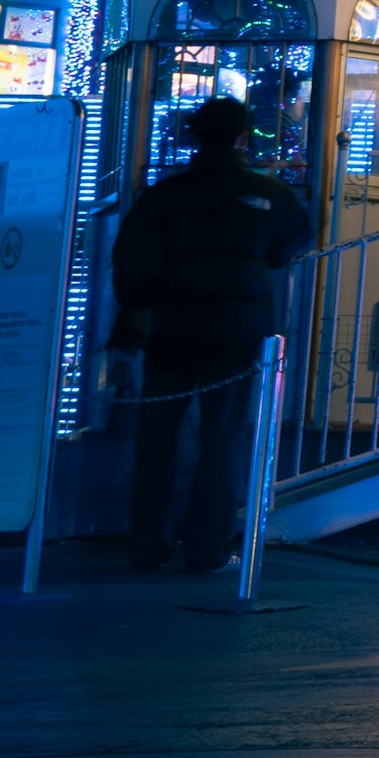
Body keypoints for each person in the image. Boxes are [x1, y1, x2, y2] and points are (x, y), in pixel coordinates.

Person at [109, 98, 306, 572]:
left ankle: (146, 543)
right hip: (239, 332)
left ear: (195, 136)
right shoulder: (270, 195)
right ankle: (206, 547)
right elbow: (291, 242)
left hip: (172, 327)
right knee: (224, 440)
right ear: (243, 136)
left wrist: (136, 317)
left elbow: (132, 259)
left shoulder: (165, 194)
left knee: (157, 438)